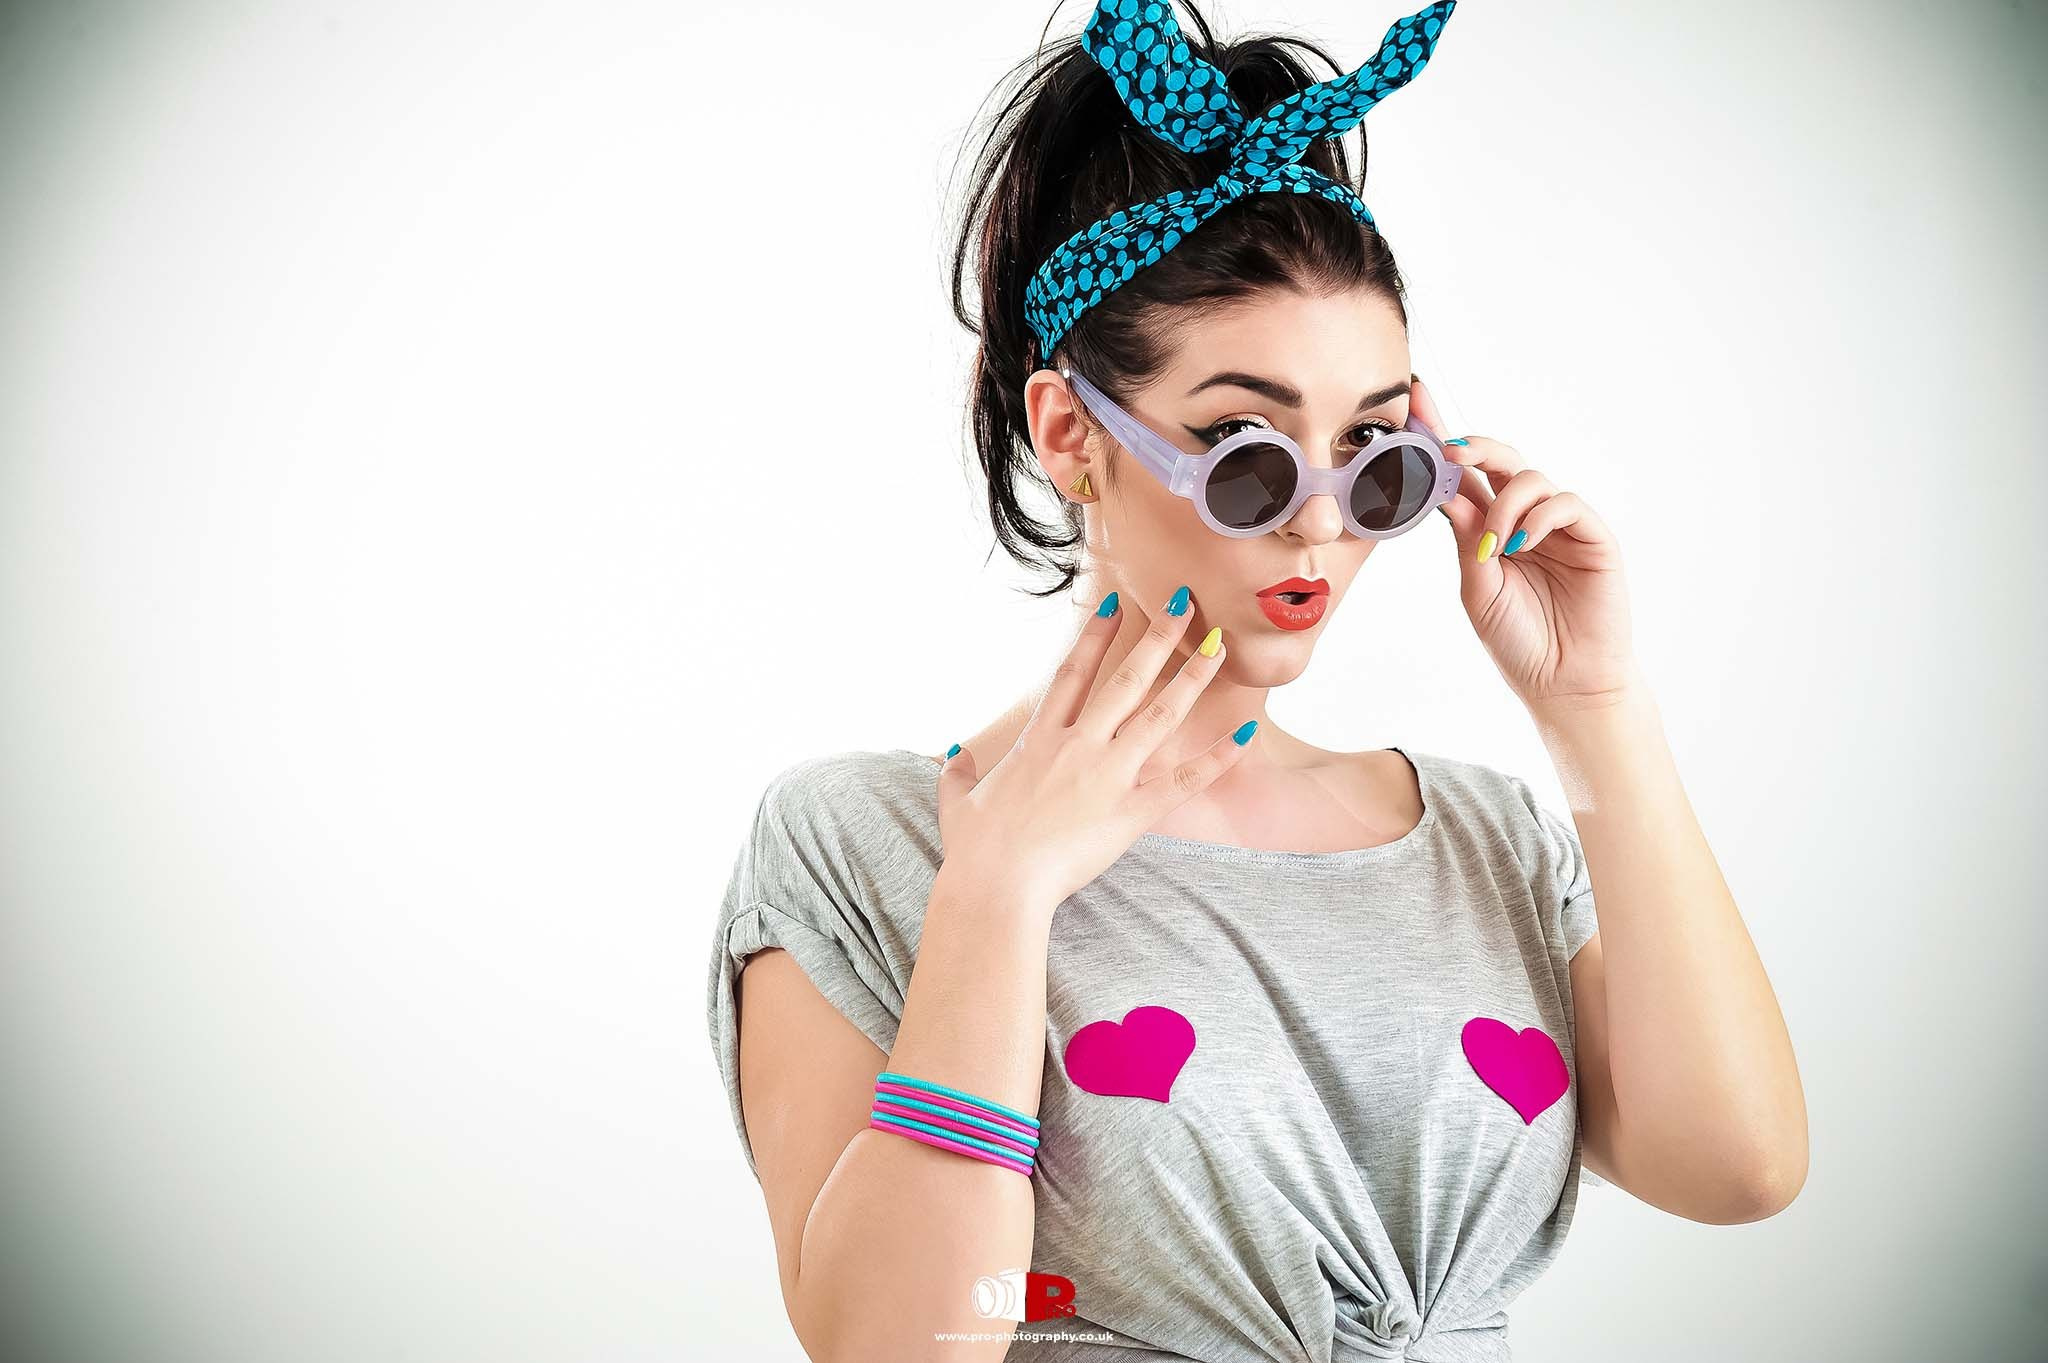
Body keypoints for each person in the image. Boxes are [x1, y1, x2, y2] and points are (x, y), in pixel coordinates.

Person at [705, 3, 1807, 1359]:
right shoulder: (860, 846)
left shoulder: (1484, 840)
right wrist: (1000, 894)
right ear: (1072, 434)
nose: (1323, 522)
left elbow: (1739, 1169)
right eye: (1246, 448)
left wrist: (1597, 714)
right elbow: (905, 1345)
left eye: (1378, 452)